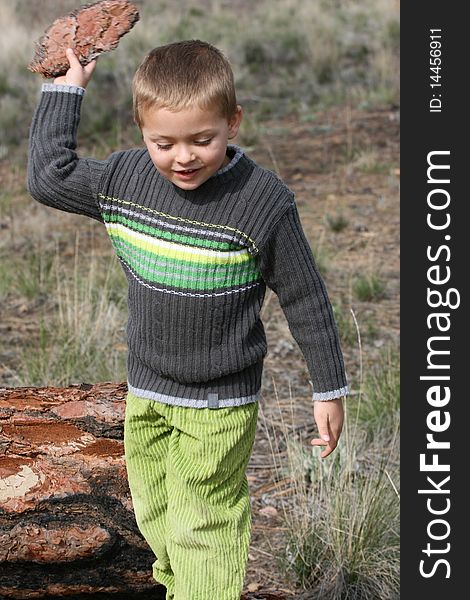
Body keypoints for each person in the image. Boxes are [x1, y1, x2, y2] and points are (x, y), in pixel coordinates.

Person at [27, 40, 349, 600]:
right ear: (140, 128)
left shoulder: (262, 201)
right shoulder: (125, 180)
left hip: (219, 402)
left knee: (204, 523)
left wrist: (328, 387)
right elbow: (48, 178)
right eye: (164, 142)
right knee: (158, 516)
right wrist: (65, 90)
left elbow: (305, 297)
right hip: (147, 390)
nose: (184, 157)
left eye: (204, 140)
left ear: (233, 121)